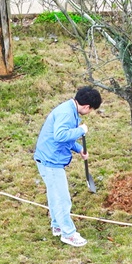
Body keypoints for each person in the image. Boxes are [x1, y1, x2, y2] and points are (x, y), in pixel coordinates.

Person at [33, 86, 102, 247]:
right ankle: (68, 234)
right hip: (50, 162)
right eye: (91, 110)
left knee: (54, 195)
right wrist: (80, 130)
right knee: (63, 199)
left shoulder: (70, 109)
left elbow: (64, 138)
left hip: (48, 158)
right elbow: (60, 136)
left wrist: (79, 149)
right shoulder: (66, 114)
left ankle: (57, 225)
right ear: (86, 107)